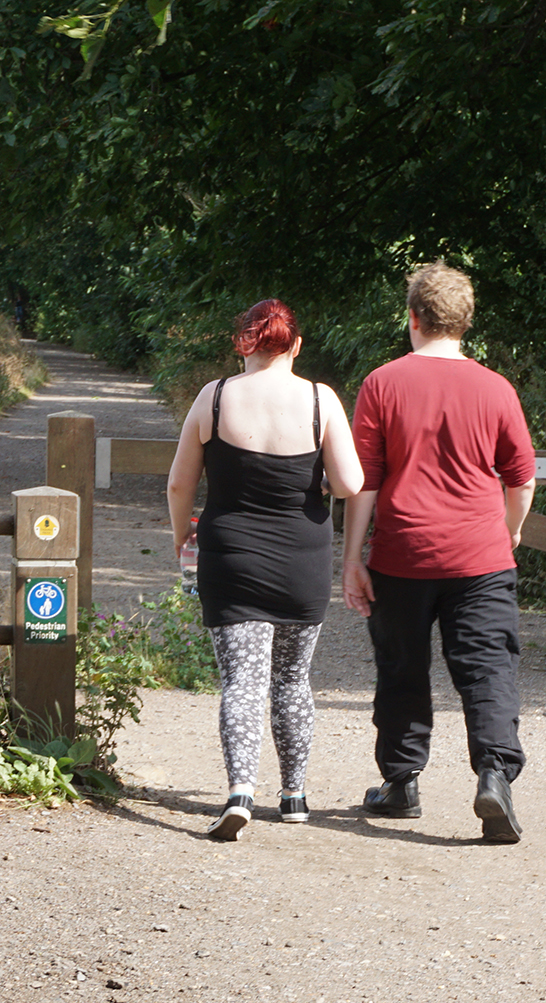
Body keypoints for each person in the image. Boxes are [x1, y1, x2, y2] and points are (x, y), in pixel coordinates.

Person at [342, 261, 537, 843]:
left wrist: (353, 557)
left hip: (402, 554)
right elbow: (521, 478)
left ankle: (401, 784)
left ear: (413, 318)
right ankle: (495, 778)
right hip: (481, 557)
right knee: (488, 669)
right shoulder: (496, 387)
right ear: (464, 322)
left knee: (402, 669)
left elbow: (364, 482)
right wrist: (508, 533)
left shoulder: (382, 383)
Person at [167, 299, 364, 841]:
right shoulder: (322, 401)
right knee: (293, 679)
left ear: (243, 343)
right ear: (295, 345)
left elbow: (180, 484)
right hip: (303, 557)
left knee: (241, 680)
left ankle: (240, 792)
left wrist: (180, 533)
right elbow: (350, 483)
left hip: (232, 554)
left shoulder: (216, 396)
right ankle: (295, 794)